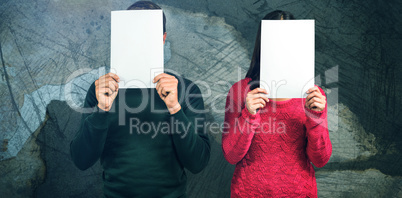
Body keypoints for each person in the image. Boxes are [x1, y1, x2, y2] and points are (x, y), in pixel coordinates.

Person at [70, 1, 210, 197]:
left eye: (147, 34)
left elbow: (198, 162)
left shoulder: (186, 90)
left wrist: (175, 108)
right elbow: (81, 159)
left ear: (163, 39)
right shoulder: (101, 90)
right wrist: (101, 110)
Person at [222, 10, 332, 197]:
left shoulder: (313, 95)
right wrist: (248, 115)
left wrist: (316, 119)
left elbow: (320, 160)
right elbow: (232, 156)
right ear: (263, 44)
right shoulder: (240, 91)